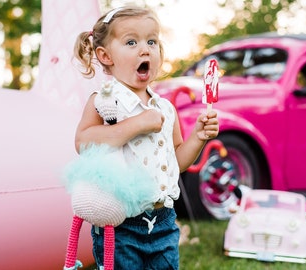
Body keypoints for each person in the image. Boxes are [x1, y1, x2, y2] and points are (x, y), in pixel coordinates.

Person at [65, 5, 219, 270]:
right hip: (121, 223)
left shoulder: (165, 108)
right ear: (105, 55)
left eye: (152, 41)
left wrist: (198, 137)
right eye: (131, 42)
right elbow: (83, 142)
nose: (145, 49)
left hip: (164, 221)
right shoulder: (103, 100)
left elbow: (176, 161)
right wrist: (136, 124)